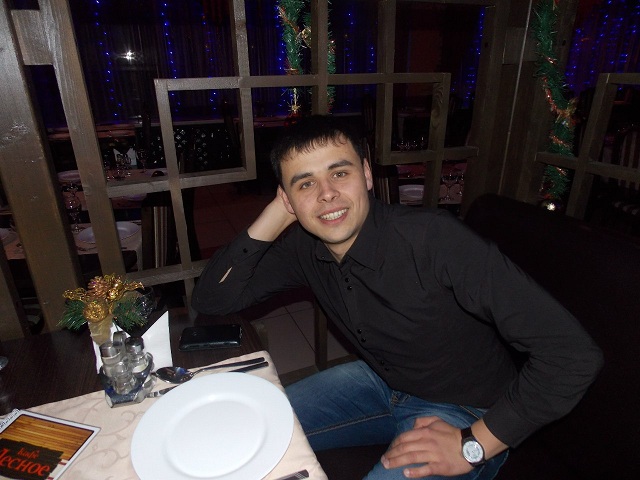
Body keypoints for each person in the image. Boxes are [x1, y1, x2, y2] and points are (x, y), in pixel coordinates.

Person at [192, 115, 603, 479]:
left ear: (366, 174)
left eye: (340, 173)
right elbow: (213, 299)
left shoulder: (434, 239)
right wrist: (278, 213)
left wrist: (474, 443)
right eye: (306, 183)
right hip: (379, 381)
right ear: (287, 198)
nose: (327, 194)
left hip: (466, 410)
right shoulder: (305, 246)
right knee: (240, 430)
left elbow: (573, 354)